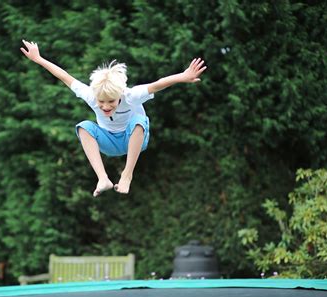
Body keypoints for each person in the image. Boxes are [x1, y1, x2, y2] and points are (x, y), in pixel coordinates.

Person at [20, 39, 206, 197]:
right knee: (84, 126)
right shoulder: (91, 96)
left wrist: (183, 76)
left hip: (134, 139)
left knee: (139, 121)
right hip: (109, 143)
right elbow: (65, 77)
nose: (105, 107)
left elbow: (157, 85)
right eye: (102, 102)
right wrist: (38, 59)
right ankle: (103, 178)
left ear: (120, 96)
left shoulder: (131, 95)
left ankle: (127, 174)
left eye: (111, 102)